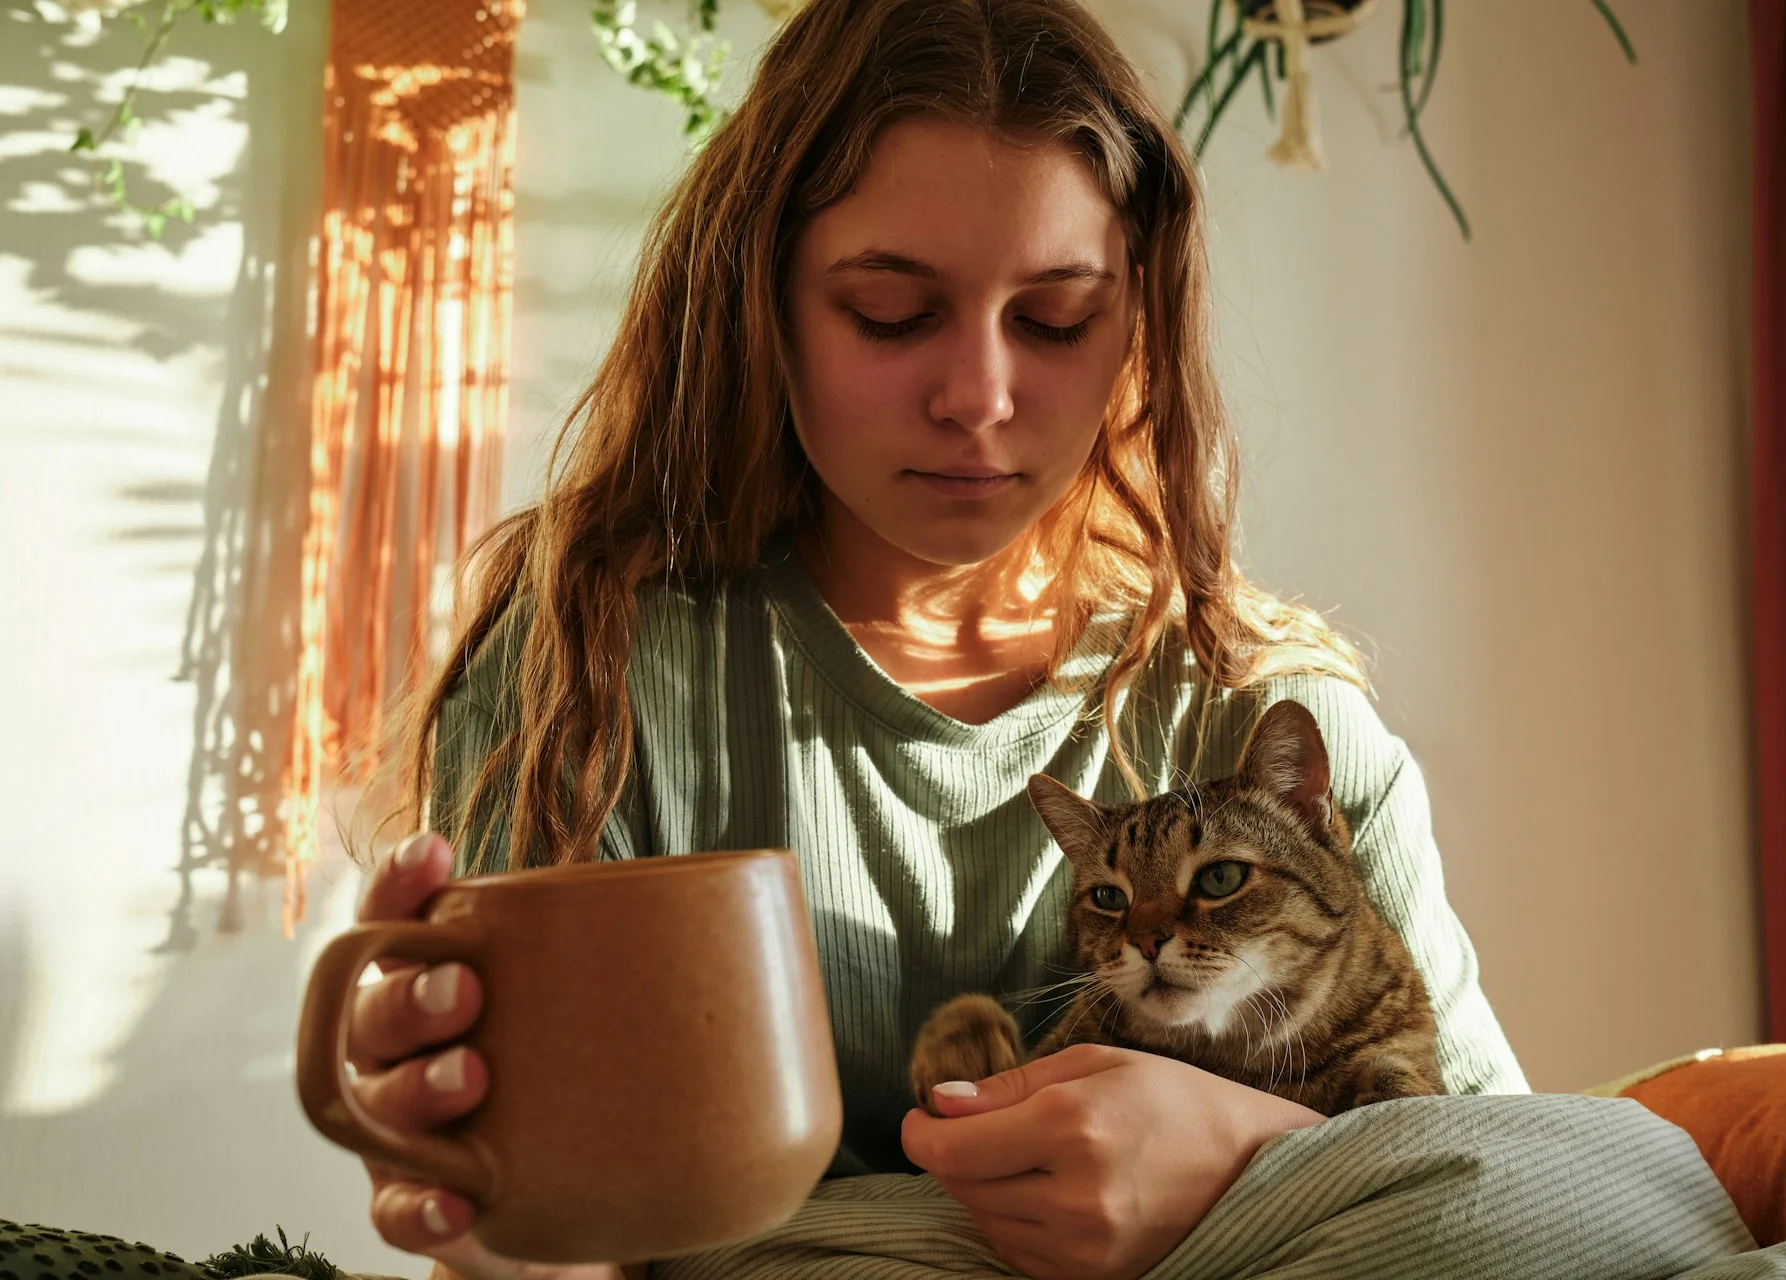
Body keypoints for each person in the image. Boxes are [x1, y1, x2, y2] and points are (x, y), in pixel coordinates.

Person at [343, 1, 1528, 1277]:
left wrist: (1240, 1152)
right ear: (765, 305)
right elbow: (572, 1237)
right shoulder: (591, 676)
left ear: (1139, 325)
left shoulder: (1267, 706)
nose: (979, 398)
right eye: (894, 313)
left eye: (1058, 319)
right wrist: (506, 1237)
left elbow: (1515, 1191)